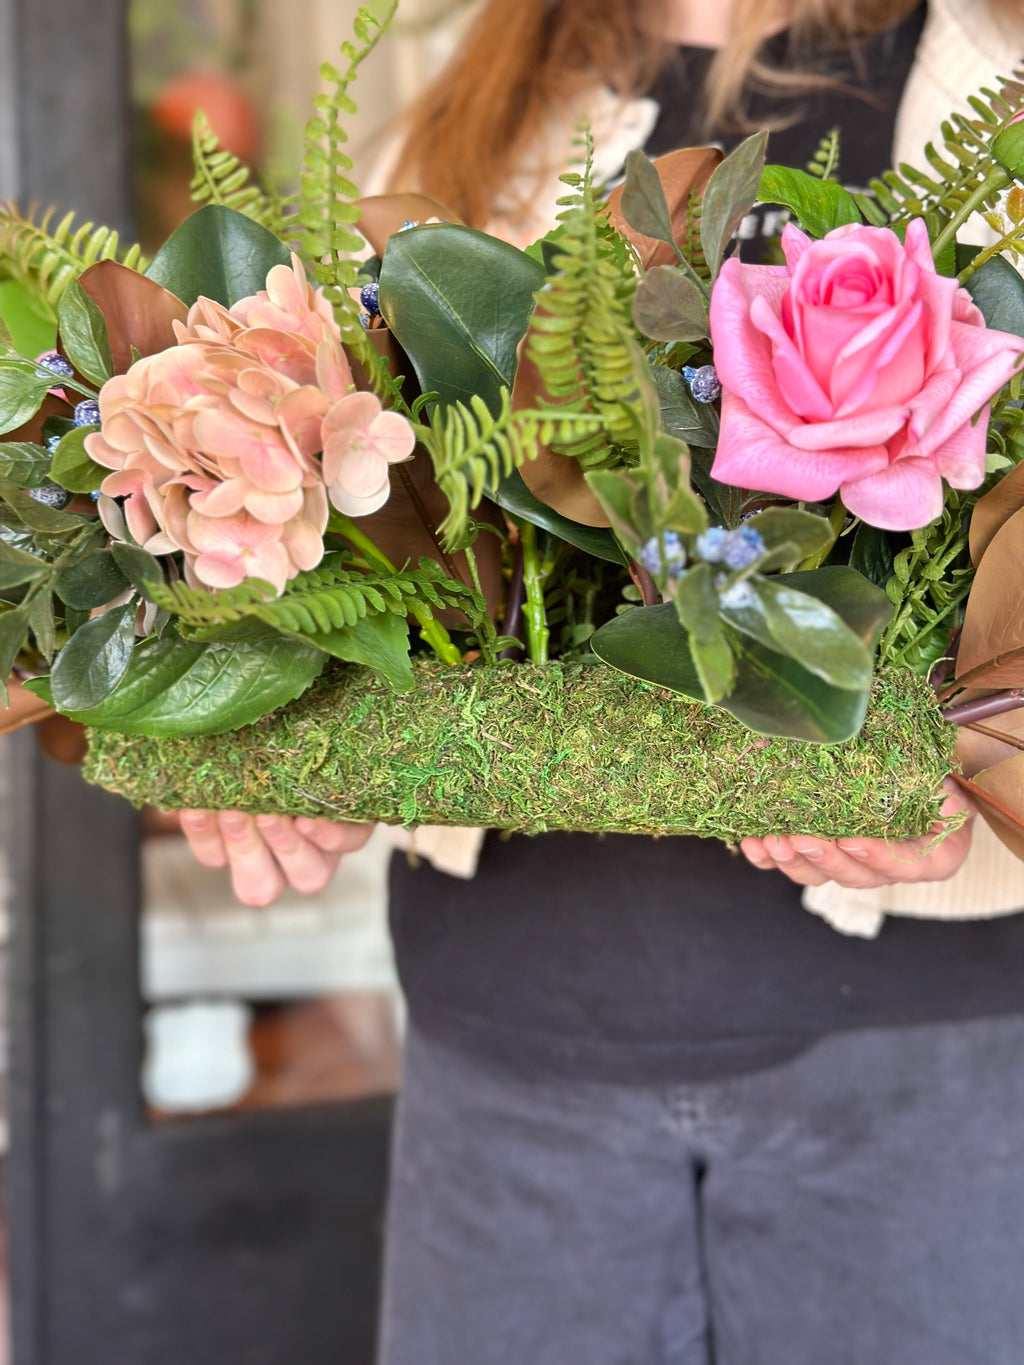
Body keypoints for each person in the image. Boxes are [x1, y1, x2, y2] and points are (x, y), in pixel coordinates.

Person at [181, 0, 1024, 1360]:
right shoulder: (468, 114)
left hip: (911, 1090)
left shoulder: (993, 80)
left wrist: (979, 800)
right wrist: (295, 742)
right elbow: (370, 565)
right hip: (504, 1076)